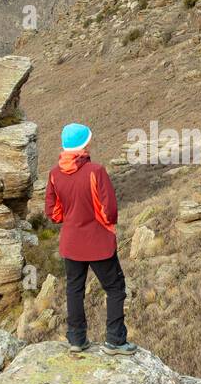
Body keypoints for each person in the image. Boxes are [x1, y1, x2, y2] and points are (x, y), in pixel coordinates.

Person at [43, 122, 135, 353]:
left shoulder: (54, 174)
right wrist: (105, 227)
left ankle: (76, 340)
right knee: (115, 288)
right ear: (84, 144)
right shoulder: (96, 171)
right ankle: (115, 341)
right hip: (97, 243)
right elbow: (109, 210)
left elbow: (53, 213)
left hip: (71, 243)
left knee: (74, 289)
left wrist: (71, 217)